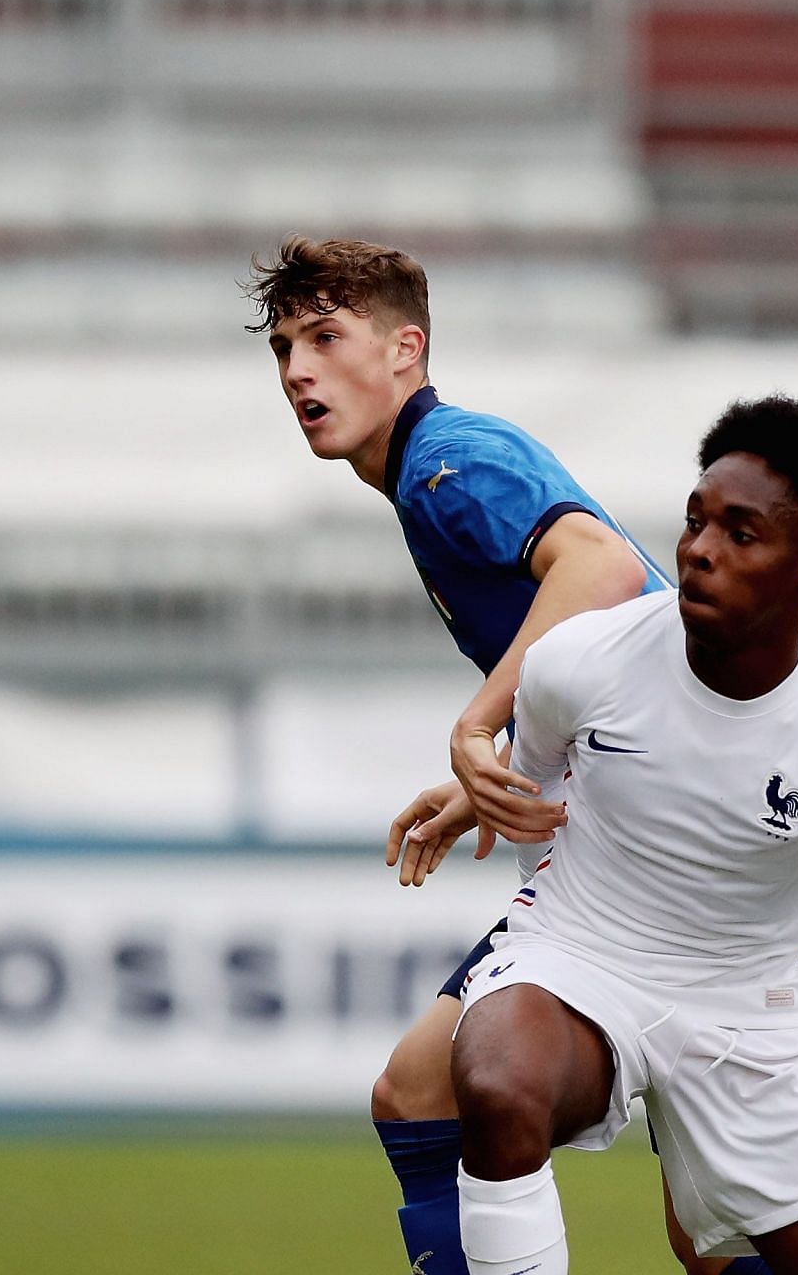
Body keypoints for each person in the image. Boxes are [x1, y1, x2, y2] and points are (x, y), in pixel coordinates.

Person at [246, 236, 743, 1275]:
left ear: (404, 349)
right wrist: (512, 754)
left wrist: (479, 722)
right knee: (707, 1219)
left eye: (326, 338)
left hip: (676, 839)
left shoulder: (444, 462)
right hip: (678, 820)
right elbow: (619, 631)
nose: (298, 369)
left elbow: (601, 568)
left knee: (439, 1101)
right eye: (286, 345)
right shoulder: (437, 470)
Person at [447, 395, 798, 1275]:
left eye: (742, 535)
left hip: (754, 1021)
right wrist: (543, 909)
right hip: (583, 959)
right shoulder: (578, 660)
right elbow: (538, 793)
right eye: (697, 519)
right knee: (496, 1079)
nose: (698, 550)